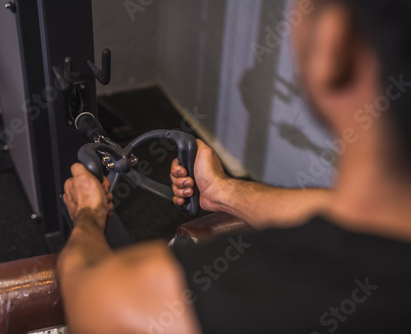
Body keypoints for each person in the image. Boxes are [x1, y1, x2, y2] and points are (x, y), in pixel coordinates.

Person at [57, 0, 411, 333]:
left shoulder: (173, 297)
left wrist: (87, 214)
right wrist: (223, 191)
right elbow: (337, 217)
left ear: (335, 45)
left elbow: (90, 295)